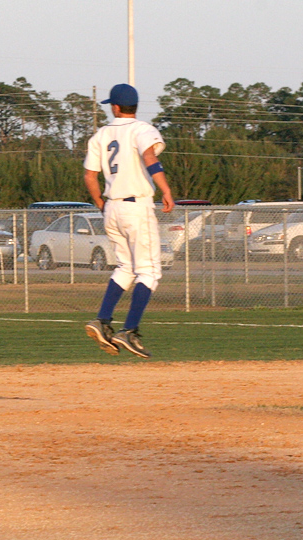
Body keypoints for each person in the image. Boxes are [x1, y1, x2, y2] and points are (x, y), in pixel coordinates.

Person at [83, 83, 175, 359]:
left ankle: (102, 320)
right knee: (149, 272)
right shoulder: (142, 129)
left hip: (111, 206)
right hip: (137, 205)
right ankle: (129, 330)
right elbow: (149, 156)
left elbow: (90, 176)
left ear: (115, 107)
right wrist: (166, 190)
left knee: (126, 267)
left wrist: (101, 204)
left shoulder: (101, 134)